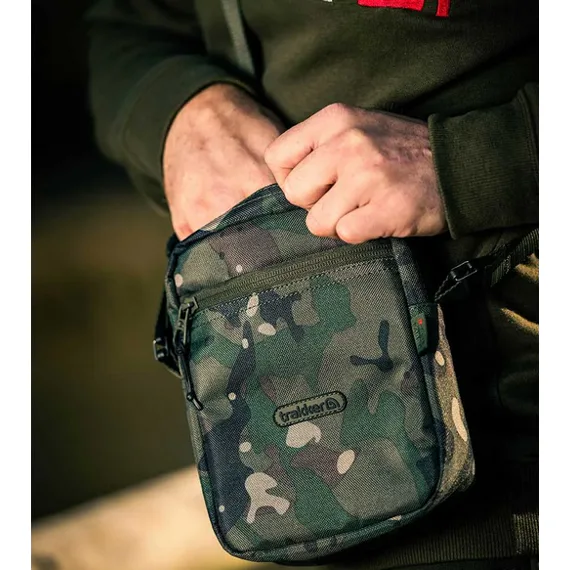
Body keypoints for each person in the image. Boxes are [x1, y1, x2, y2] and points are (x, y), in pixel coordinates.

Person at [87, 1, 538, 568]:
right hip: (300, 483)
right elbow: (126, 27)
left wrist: (467, 160)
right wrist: (183, 113)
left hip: (519, 448)